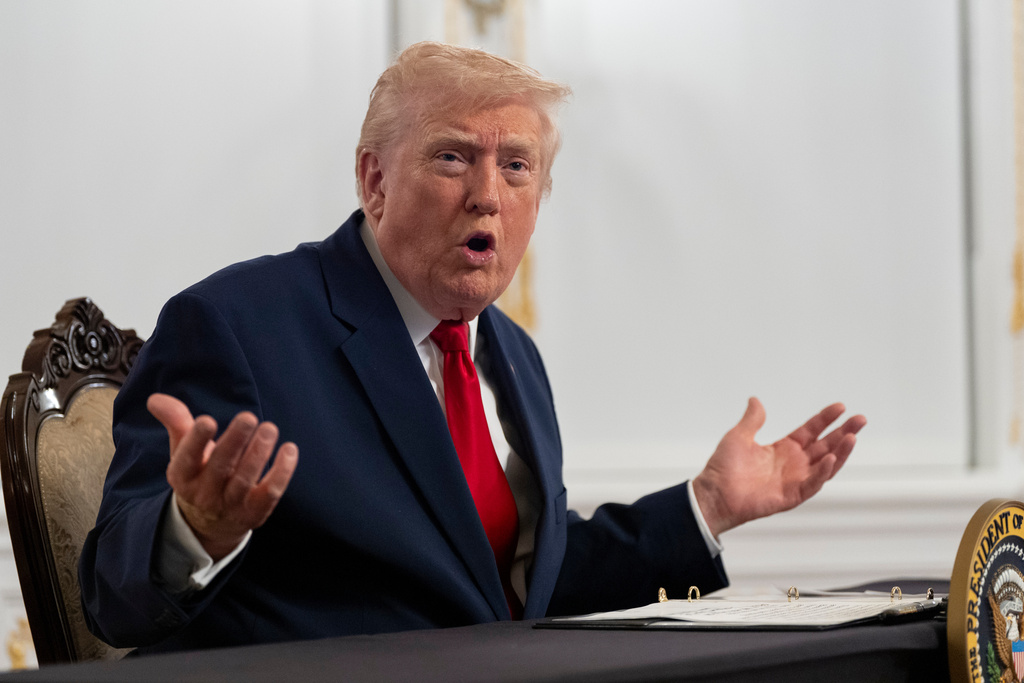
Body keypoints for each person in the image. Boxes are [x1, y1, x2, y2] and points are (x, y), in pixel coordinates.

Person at [79, 41, 866, 654]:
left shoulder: (512, 355)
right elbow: (112, 595)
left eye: (516, 167)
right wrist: (195, 529)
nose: (488, 192)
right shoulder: (237, 324)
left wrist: (709, 505)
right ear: (374, 180)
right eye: (454, 156)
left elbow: (518, 586)